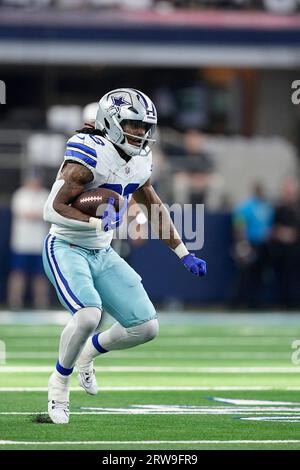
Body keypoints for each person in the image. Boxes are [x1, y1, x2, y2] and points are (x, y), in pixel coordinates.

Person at [42, 88, 207, 424]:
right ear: (113, 122)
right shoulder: (89, 154)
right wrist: (94, 219)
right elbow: (51, 209)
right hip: (66, 245)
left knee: (146, 327)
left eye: (145, 127)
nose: (140, 133)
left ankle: (89, 353)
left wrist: (183, 252)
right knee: (89, 315)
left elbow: (152, 205)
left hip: (102, 249)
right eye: (133, 125)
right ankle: (59, 384)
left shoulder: (140, 160)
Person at [7, 172, 50, 310]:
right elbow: (26, 213)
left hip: (39, 243)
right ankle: (14, 302)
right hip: (22, 243)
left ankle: (41, 303)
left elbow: (47, 214)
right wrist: (38, 214)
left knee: (41, 275)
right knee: (18, 273)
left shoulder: (45, 195)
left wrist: (37, 214)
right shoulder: (20, 195)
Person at [232, 182, 273, 308]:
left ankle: (256, 302)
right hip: (250, 243)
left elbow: (269, 225)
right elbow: (239, 225)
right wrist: (242, 243)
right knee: (246, 274)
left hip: (263, 244)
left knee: (260, 274)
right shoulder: (247, 206)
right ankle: (240, 301)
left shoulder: (267, 206)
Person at [269, 177, 300, 309]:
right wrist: (281, 233)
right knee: (283, 276)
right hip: (282, 250)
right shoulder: (278, 209)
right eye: (287, 191)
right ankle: (284, 302)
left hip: (297, 250)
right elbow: (271, 228)